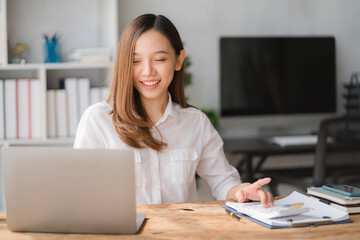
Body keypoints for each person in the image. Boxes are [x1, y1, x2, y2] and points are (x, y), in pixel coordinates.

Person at [74, 14, 274, 207]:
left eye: (159, 59)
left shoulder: (196, 122)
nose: (148, 71)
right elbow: (80, 192)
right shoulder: (98, 120)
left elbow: (223, 182)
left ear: (179, 60)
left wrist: (241, 191)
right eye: (136, 61)